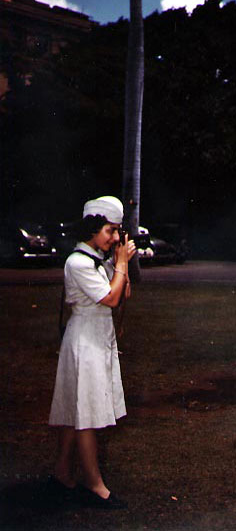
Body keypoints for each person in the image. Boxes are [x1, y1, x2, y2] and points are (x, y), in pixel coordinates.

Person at [48, 195, 136, 508]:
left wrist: (118, 264)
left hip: (97, 338)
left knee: (77, 408)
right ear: (92, 230)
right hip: (85, 341)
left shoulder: (98, 260)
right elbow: (111, 299)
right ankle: (94, 484)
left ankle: (61, 471)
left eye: (116, 232)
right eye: (110, 231)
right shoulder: (78, 263)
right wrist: (121, 264)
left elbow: (123, 291)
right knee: (85, 413)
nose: (114, 238)